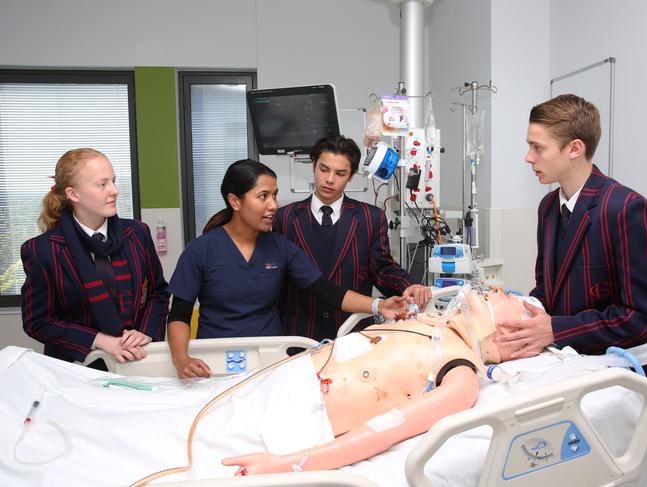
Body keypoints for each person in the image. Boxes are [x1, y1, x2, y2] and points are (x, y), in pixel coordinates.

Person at [130, 286, 532, 484]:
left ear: (515, 332)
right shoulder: (431, 324)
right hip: (275, 384)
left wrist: (284, 466)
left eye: (516, 299)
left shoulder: (459, 374)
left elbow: (380, 432)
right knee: (162, 424)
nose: (496, 289)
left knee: (166, 454)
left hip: (293, 417)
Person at [166, 159, 410, 379]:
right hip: (214, 363)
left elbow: (326, 291)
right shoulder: (202, 250)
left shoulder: (280, 247)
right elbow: (179, 313)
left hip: (270, 361)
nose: (273, 205)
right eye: (263, 196)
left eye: (275, 195)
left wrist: (379, 305)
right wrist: (181, 359)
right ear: (234, 201)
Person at [497, 94, 647, 359]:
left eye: (538, 147)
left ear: (575, 149)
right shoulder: (548, 207)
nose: (528, 157)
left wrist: (557, 329)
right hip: (564, 358)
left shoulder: (625, 207)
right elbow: (546, 289)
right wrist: (513, 311)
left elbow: (640, 317)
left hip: (614, 366)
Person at [274, 135, 431, 341]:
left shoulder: (370, 217)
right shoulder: (284, 218)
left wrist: (408, 284)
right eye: (323, 169)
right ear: (314, 166)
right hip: (299, 332)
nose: (329, 179)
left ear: (351, 176)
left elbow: (382, 268)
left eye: (340, 173)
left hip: (353, 330)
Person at [20, 148, 169, 365]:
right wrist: (98, 340)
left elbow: (158, 293)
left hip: (138, 359)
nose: (114, 190)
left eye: (114, 181)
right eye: (102, 184)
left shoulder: (138, 233)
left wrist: (144, 333)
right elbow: (38, 322)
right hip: (77, 368)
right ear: (73, 194)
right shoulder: (42, 250)